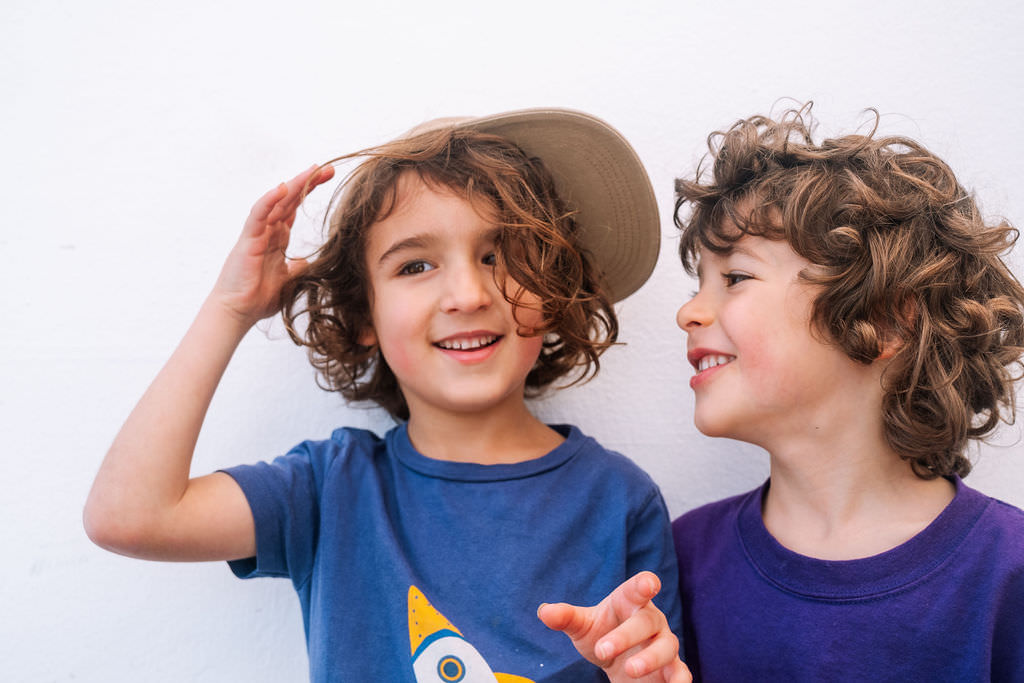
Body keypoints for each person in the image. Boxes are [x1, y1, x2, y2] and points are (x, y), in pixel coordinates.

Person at [83, 108, 685, 682]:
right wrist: (229, 309)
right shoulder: (327, 489)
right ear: (363, 314)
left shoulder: (620, 499)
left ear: (551, 288)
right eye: (415, 266)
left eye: (498, 254)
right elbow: (128, 518)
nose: (467, 294)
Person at [543, 105, 1024, 681]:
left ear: (886, 321)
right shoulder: (684, 558)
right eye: (699, 283)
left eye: (736, 278)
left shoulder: (1008, 570)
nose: (689, 312)